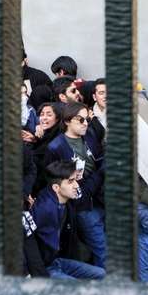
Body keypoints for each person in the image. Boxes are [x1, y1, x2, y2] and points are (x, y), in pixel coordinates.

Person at [45, 102, 106, 269]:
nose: (85, 123)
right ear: (67, 121)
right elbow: (55, 180)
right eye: (80, 119)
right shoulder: (56, 146)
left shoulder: (89, 137)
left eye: (87, 119)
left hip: (101, 198)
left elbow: (100, 161)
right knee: (103, 249)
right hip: (82, 205)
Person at [30, 160, 105, 280]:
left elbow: (85, 193)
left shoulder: (65, 199)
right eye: (71, 181)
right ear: (56, 187)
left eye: (75, 180)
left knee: (101, 274)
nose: (76, 185)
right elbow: (25, 240)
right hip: (44, 269)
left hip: (57, 262)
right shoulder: (44, 209)